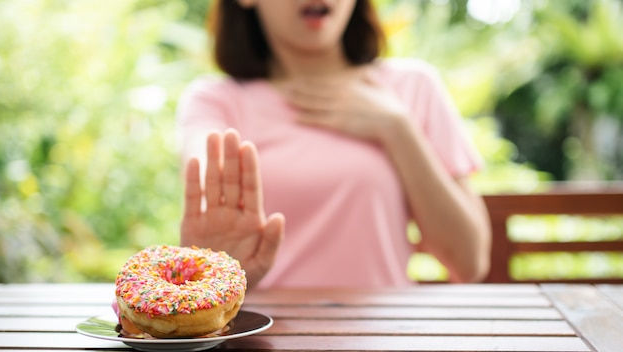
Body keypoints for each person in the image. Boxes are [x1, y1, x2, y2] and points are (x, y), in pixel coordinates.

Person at [177, 0, 491, 289]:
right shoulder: (215, 102)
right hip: (265, 344)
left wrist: (398, 130)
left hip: (386, 342)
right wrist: (217, 268)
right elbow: (203, 183)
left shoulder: (412, 86)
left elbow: (470, 262)